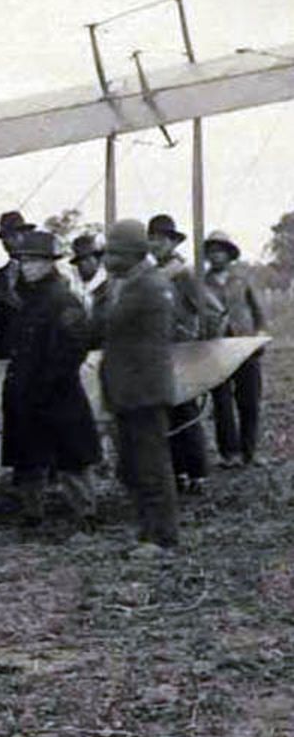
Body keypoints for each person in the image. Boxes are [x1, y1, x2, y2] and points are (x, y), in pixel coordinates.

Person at [0, 230, 99, 536]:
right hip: (26, 393)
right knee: (28, 458)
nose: (26, 267)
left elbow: (74, 347)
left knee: (71, 458)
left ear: (49, 264)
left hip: (58, 394)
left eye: (32, 261)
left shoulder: (62, 299)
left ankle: (85, 516)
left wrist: (48, 382)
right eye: (23, 261)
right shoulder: (25, 301)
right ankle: (32, 514)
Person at [96, 220, 179, 555]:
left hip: (143, 391)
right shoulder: (132, 282)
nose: (106, 259)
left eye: (113, 253)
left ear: (130, 254)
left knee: (151, 466)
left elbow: (106, 324)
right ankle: (148, 532)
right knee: (134, 466)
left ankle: (162, 538)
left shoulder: (146, 286)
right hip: (129, 390)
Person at [148, 213, 222, 494]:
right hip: (159, 353)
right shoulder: (153, 275)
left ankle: (198, 473)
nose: (156, 245)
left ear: (172, 242)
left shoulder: (185, 275)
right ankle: (177, 472)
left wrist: (201, 341)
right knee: (166, 414)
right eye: (152, 239)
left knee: (186, 414)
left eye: (161, 240)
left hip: (184, 352)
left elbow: (213, 310)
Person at [203, 230, 267, 468]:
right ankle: (229, 453)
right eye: (212, 251)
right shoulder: (202, 283)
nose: (216, 255)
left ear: (229, 254)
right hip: (217, 348)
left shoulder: (242, 279)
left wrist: (260, 333)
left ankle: (250, 451)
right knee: (222, 402)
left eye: (221, 250)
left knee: (249, 400)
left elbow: (257, 309)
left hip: (245, 346)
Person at [0, 211, 36, 357]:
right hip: (5, 351)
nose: (8, 242)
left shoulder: (38, 272)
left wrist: (13, 300)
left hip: (33, 351)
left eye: (13, 236)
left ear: (25, 236)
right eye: (4, 238)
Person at [69, 233, 109, 315]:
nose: (81, 265)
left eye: (86, 260)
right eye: (78, 261)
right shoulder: (75, 286)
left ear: (98, 260)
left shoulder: (108, 286)